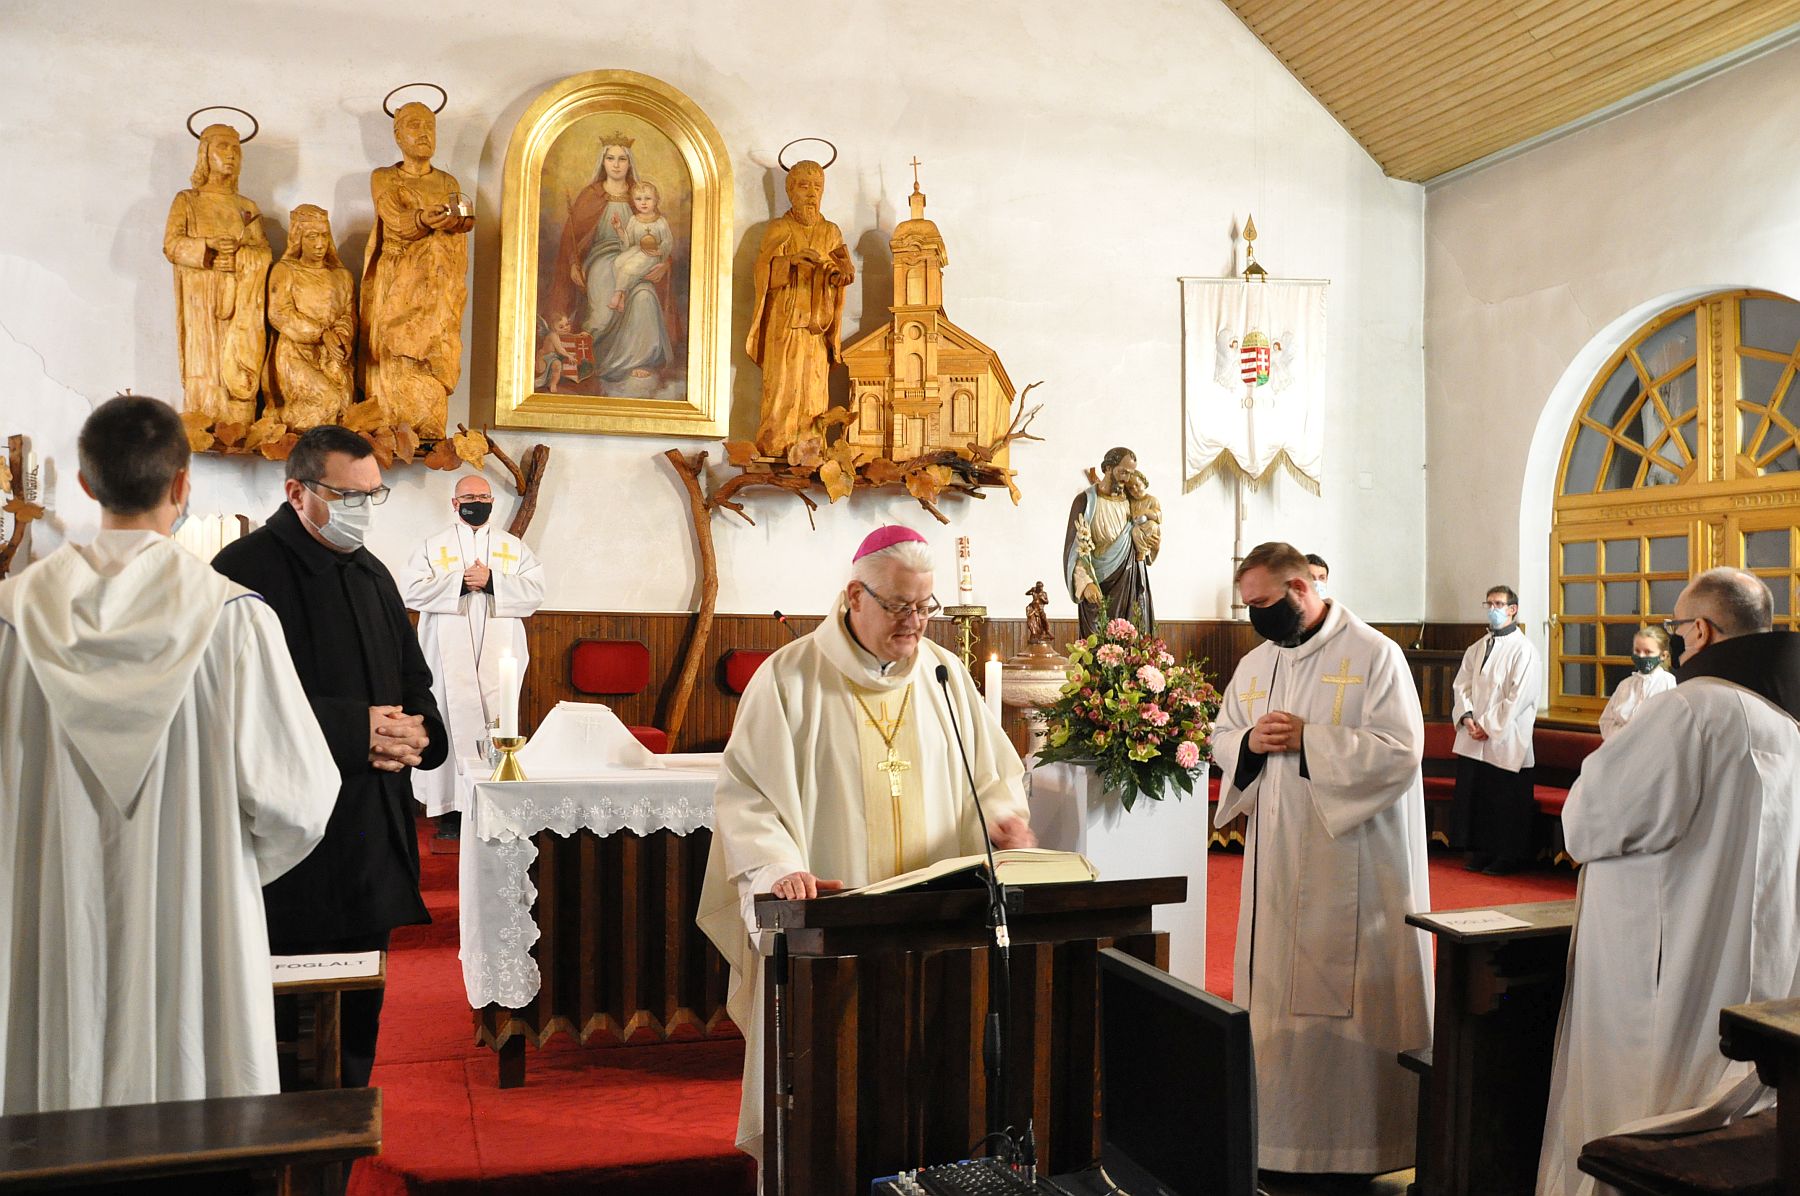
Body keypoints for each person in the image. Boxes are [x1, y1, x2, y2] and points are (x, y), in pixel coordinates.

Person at [0, 395, 336, 1114]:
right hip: (196, 918)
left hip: (45, 920)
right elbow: (300, 800)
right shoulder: (233, 619)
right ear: (184, 484)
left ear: (87, 487)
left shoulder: (10, 618)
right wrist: (223, 868)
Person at [697, 525, 1037, 1163]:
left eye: (925, 607)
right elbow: (748, 795)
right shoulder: (789, 679)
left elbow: (993, 775)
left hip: (939, 932)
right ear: (855, 594)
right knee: (835, 1105)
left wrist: (1002, 820)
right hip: (836, 933)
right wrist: (776, 868)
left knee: (936, 1089)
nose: (916, 623)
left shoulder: (944, 676)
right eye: (900, 606)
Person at [1537, 568, 1800, 1196]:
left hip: (1663, 964)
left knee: (1646, 1093)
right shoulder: (1786, 724)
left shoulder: (1688, 708)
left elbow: (1588, 820)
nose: (1674, 642)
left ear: (1700, 631)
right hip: (1762, 978)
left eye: (1676, 630)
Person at [213, 424, 447, 1088]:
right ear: (297, 492)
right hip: (291, 848)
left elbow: (414, 684)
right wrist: (357, 730)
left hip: (372, 837)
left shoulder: (372, 574)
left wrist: (420, 733)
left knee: (356, 1027)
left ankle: (337, 1151)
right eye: (349, 496)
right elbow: (231, 704)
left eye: (375, 495)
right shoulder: (243, 571)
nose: (364, 511)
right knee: (285, 1035)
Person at [1212, 541, 1433, 1177]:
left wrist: (1313, 740)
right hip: (1276, 856)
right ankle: (1275, 1141)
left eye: (1261, 604)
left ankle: (1362, 1146)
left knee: (1349, 990)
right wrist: (1250, 742)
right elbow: (1225, 734)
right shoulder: (1257, 662)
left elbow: (1400, 752)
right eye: (1247, 605)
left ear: (1302, 589)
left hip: (1355, 860)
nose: (1254, 616)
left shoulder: (1374, 654)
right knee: (1274, 994)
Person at [402, 474, 544, 839]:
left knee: (496, 718)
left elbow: (535, 591)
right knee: (449, 717)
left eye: (483, 496)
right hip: (447, 653)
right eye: (468, 496)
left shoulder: (513, 548)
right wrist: (461, 582)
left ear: (492, 502)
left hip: (501, 653)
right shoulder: (433, 547)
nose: (476, 502)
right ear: (454, 503)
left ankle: (494, 804)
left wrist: (494, 580)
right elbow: (412, 591)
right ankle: (449, 810)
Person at [360, 101, 473, 438]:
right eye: (414, 125)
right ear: (397, 135)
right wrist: (423, 219)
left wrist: (456, 222)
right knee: (395, 351)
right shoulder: (385, 177)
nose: (424, 133)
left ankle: (426, 424)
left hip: (438, 282)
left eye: (430, 127)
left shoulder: (448, 180)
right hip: (397, 277)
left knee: (432, 352)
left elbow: (461, 218)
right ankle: (389, 425)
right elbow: (393, 218)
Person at [162, 122, 272, 425]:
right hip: (200, 296)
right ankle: (204, 420)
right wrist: (208, 250)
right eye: (222, 146)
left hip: (240, 299)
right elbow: (171, 245)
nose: (231, 154)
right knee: (205, 358)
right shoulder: (188, 201)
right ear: (205, 153)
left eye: (236, 148)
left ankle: (238, 423)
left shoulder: (246, 207)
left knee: (236, 362)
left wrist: (239, 259)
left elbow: (263, 252)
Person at [546, 136, 677, 388]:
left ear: (629, 163)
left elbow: (660, 238)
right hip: (600, 257)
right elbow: (572, 240)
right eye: (610, 158)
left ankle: (638, 359)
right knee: (608, 272)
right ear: (603, 162)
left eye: (622, 159)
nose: (616, 165)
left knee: (644, 294)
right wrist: (574, 263)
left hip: (639, 259)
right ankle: (590, 345)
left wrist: (664, 264)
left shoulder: (640, 194)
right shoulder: (592, 194)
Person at [746, 159, 854, 456]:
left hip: (817, 326)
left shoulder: (831, 231)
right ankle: (776, 443)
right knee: (783, 384)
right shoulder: (779, 228)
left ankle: (810, 446)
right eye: (803, 186)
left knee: (814, 384)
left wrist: (839, 275)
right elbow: (762, 270)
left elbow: (840, 269)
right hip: (785, 322)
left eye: (817, 187)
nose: (811, 194)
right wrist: (789, 262)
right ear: (790, 191)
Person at [1449, 585, 1542, 874]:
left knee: (1504, 800)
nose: (1493, 609)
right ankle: (1480, 849)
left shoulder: (1525, 651)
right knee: (1478, 795)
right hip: (1474, 735)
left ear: (1513, 609)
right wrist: (1467, 718)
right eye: (1489, 603)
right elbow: (1461, 684)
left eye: (1499, 603)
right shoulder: (1477, 647)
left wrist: (1488, 725)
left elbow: (1518, 697)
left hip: (1505, 737)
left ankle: (1507, 855)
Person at [265, 203, 354, 430]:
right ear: (298, 239)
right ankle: (277, 420)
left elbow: (347, 314)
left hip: (332, 354)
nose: (319, 244)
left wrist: (342, 337)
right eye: (312, 236)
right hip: (295, 354)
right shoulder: (285, 271)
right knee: (328, 400)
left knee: (345, 409)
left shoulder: (342, 276)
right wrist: (322, 333)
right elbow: (280, 313)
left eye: (324, 236)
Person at [1064, 446, 1155, 638]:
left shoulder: (1132, 501)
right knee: (1097, 648)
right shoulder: (1086, 501)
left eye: (1130, 474)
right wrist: (1085, 583)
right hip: (1097, 583)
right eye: (1122, 472)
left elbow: (1147, 533)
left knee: (1131, 645)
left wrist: (1151, 541)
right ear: (1107, 468)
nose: (1126, 479)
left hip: (1129, 580)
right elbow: (1076, 549)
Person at [1596, 624, 1675, 740]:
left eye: (1648, 652)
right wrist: (1623, 738)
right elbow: (1606, 721)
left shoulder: (1668, 683)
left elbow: (1670, 724)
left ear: (1663, 655)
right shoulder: (1625, 685)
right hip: (1620, 748)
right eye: (1637, 651)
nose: (1641, 656)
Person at [608, 180, 673, 313]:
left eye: (648, 198)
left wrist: (660, 251)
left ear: (656, 201)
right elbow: (628, 242)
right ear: (634, 201)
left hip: (652, 254)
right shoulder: (634, 220)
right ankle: (624, 296)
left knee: (629, 267)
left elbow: (667, 241)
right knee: (618, 262)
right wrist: (619, 228)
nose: (643, 202)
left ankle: (618, 293)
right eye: (639, 199)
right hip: (637, 250)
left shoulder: (660, 222)